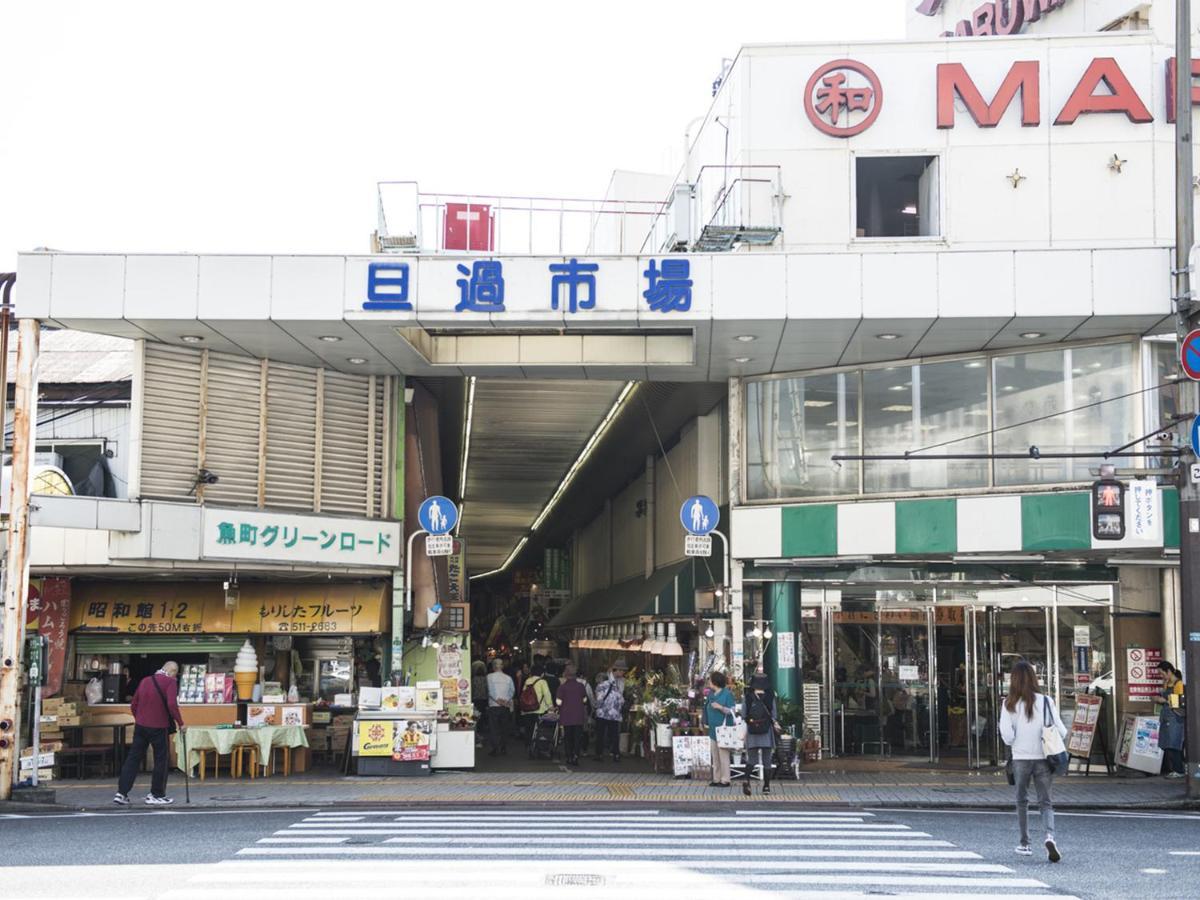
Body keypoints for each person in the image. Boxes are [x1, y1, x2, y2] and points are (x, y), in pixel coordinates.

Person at [999, 660, 1067, 863]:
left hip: (1020, 759)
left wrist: (1018, 739)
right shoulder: (1046, 701)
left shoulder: (1009, 703)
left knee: (1022, 801)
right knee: (1045, 802)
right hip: (1043, 759)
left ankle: (1025, 843)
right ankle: (1049, 836)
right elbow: (1062, 731)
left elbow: (1007, 736)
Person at [114, 660, 185, 806]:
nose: (175, 677)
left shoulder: (145, 680)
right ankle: (156, 794)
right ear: (172, 671)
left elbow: (134, 704)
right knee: (161, 760)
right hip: (159, 726)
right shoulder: (170, 682)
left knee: (133, 759)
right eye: (175, 674)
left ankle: (121, 793)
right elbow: (172, 705)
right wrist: (181, 723)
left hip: (140, 726)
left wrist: (140, 718)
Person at [743, 673, 780, 795]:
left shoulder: (747, 697)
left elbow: (744, 715)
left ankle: (747, 781)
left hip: (752, 731)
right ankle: (766, 787)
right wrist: (774, 723)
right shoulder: (770, 696)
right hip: (766, 731)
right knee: (767, 760)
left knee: (752, 759)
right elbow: (774, 715)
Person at [705, 671, 735, 788]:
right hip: (713, 729)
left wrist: (720, 707)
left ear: (715, 682)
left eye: (710, 680)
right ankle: (716, 778)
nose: (709, 682)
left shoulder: (727, 694)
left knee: (723, 755)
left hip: (724, 729)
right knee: (715, 755)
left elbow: (732, 710)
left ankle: (725, 779)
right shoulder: (711, 694)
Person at [1157, 661, 1186, 778]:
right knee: (1168, 743)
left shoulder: (1179, 684)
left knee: (1174, 743)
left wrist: (1164, 700)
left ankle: (1179, 770)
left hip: (1176, 717)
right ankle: (1175, 769)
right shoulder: (1167, 683)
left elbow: (1179, 702)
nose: (1161, 676)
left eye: (1161, 673)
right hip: (1167, 717)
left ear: (1168, 671)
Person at [594, 658, 627, 762]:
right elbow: (599, 695)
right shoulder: (605, 679)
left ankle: (614, 753)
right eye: (621, 671)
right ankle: (600, 753)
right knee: (602, 734)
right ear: (616, 670)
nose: (622, 673)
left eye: (623, 671)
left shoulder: (622, 681)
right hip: (605, 711)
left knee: (613, 734)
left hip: (613, 712)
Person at [556, 663, 588, 766]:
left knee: (568, 737)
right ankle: (576, 756)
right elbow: (584, 699)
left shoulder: (562, 687)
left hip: (566, 716)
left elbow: (558, 701)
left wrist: (560, 707)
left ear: (566, 674)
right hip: (578, 715)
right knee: (577, 737)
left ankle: (569, 756)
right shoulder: (581, 686)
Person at [485, 658, 515, 756]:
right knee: (504, 728)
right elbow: (512, 691)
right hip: (505, 706)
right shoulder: (508, 678)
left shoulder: (489, 677)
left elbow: (490, 691)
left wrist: (498, 700)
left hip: (494, 706)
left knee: (494, 728)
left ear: (493, 666)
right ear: (502, 666)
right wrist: (505, 700)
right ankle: (503, 748)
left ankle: (495, 748)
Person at [519, 664, 553, 745]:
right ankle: (537, 745)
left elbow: (524, 693)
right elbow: (547, 694)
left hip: (527, 709)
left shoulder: (527, 680)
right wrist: (550, 706)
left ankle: (529, 745)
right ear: (542, 673)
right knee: (538, 729)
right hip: (539, 709)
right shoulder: (542, 681)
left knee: (529, 728)